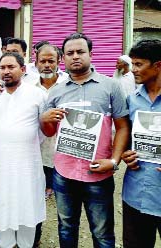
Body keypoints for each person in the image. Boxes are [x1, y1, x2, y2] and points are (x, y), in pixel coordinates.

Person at [40, 33, 130, 248]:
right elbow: (50, 131)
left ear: (91, 54)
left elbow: (123, 126)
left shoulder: (111, 87)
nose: (75, 57)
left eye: (81, 52)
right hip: (64, 173)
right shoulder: (56, 91)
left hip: (98, 172)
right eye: (70, 53)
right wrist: (45, 119)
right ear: (63, 58)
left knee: (102, 233)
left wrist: (115, 160)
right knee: (67, 227)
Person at [0, 52, 46, 248]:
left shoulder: (37, 94)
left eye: (11, 67)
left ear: (22, 70)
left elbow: (44, 130)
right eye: (3, 67)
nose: (6, 71)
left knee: (26, 208)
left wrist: (22, 140)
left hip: (27, 164)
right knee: (1, 206)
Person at [120, 39, 161, 248]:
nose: (133, 69)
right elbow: (125, 136)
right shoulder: (132, 100)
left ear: (158, 65)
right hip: (135, 194)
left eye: (138, 64)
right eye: (132, 63)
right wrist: (125, 153)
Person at [30, 43, 68, 247]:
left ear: (59, 61)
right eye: (42, 61)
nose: (46, 65)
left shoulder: (68, 85)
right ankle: (34, 240)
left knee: (65, 206)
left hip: (63, 155)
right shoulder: (27, 86)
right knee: (35, 199)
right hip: (35, 154)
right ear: (35, 62)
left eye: (50, 61)